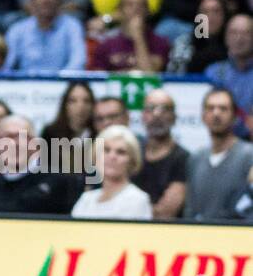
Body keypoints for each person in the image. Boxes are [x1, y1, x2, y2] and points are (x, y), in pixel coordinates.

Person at [185, 88, 253, 221]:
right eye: (210, 108)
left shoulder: (250, 156)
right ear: (203, 116)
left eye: (223, 108)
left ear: (235, 116)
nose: (216, 113)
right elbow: (190, 208)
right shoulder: (196, 158)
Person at [2, 0, 85, 72]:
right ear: (31, 0)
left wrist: (59, 82)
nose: (45, 0)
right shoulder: (17, 30)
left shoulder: (73, 27)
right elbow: (7, 66)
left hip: (62, 84)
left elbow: (77, 63)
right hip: (24, 84)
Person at [71, 126, 153, 220]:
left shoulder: (138, 200)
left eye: (120, 152)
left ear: (132, 161)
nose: (112, 156)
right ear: (95, 156)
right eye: (106, 150)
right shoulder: (86, 199)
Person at [89, 0, 169, 72]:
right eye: (130, 4)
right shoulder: (106, 45)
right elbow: (98, 80)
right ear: (120, 11)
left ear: (147, 11)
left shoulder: (160, 43)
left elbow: (150, 73)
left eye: (141, 5)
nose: (136, 8)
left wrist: (138, 37)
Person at [137, 89, 189, 220]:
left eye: (164, 109)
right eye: (150, 108)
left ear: (175, 117)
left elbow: (165, 213)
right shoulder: (133, 153)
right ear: (142, 115)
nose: (156, 114)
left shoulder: (183, 158)